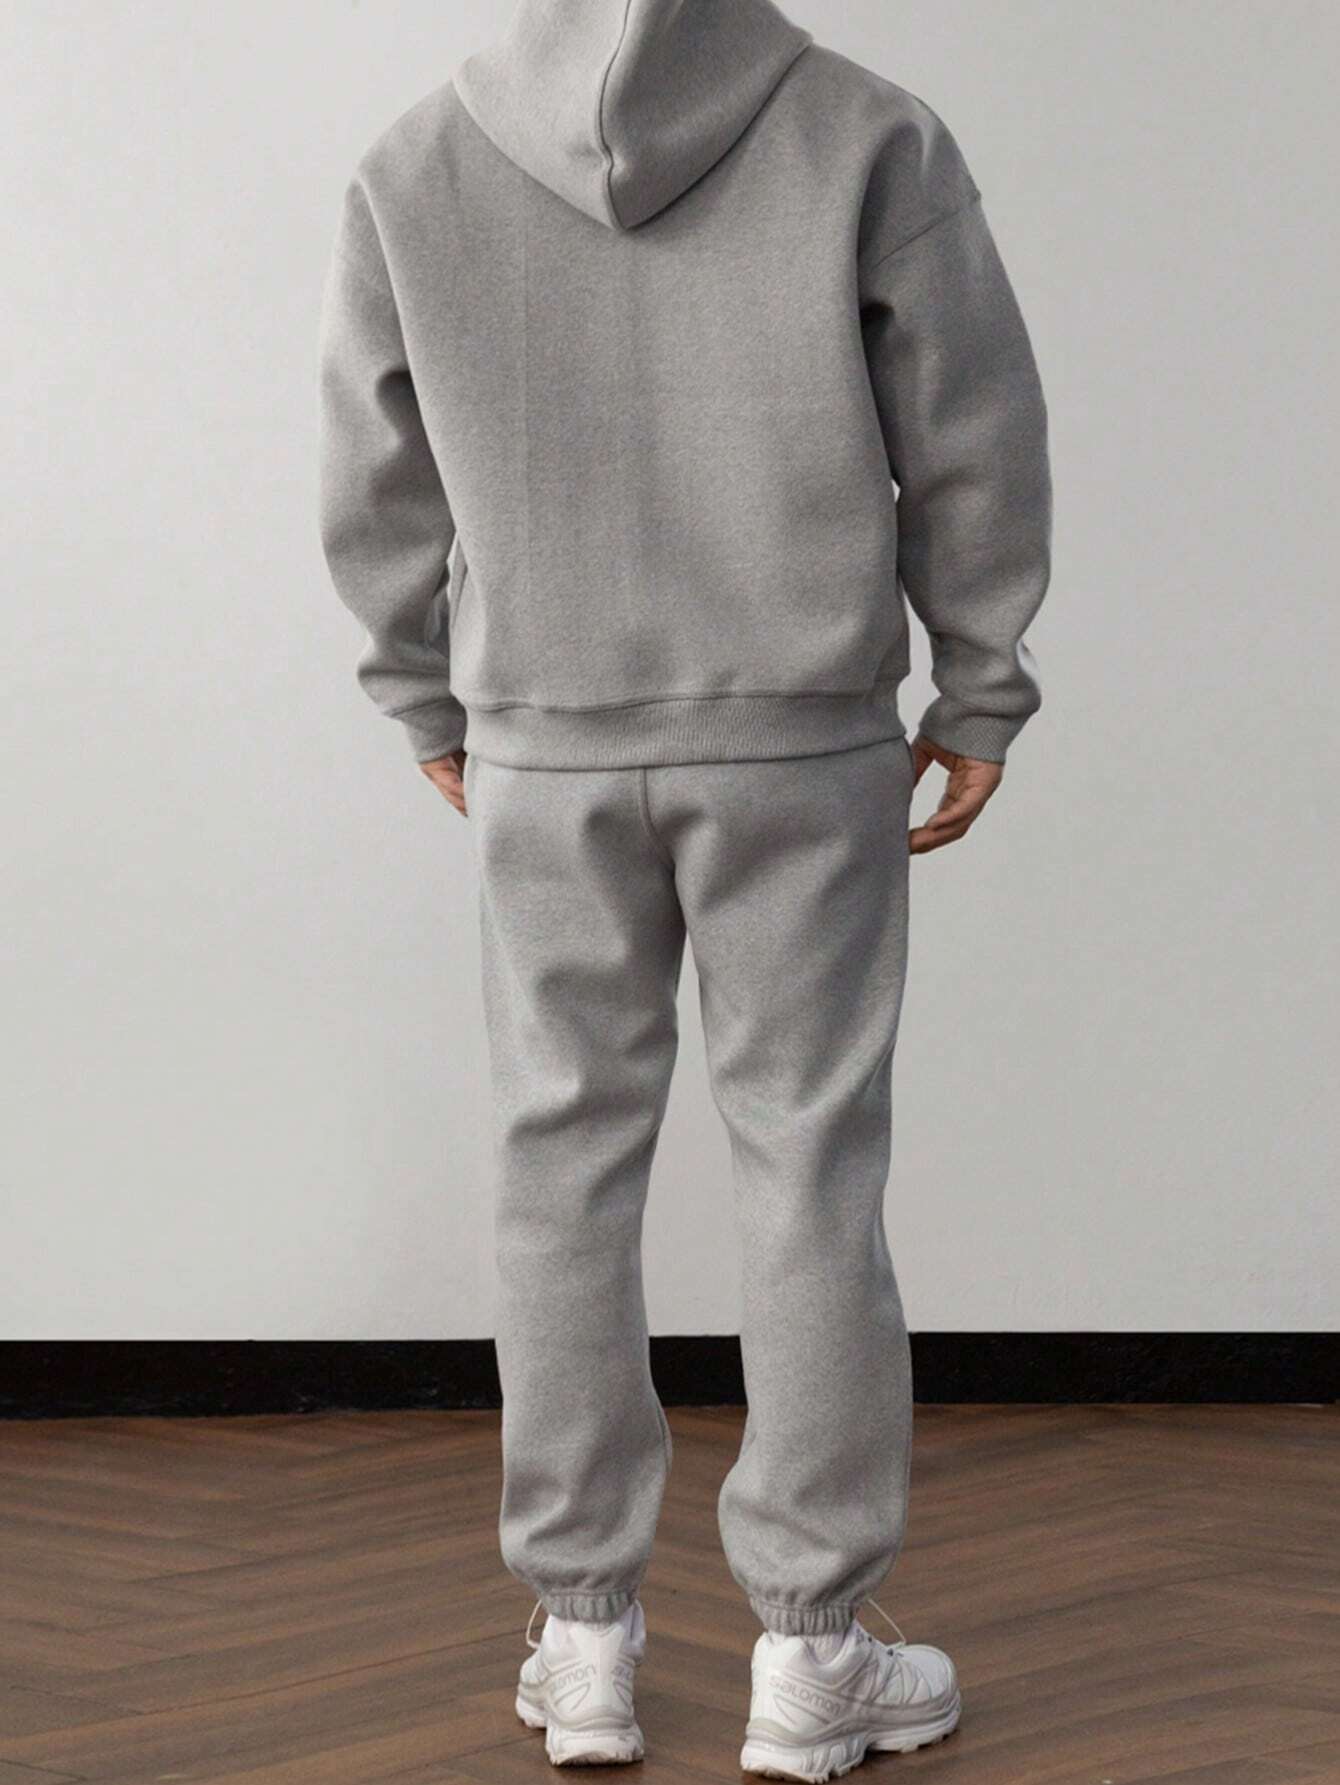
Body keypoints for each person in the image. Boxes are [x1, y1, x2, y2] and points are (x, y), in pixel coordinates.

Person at [318, 0, 1050, 1774]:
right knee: (810, 1159)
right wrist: (977, 683)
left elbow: (371, 468)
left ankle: (584, 1639)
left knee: (558, 1159)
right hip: (797, 741)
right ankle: (814, 1656)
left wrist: (423, 690)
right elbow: (971, 426)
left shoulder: (418, 162)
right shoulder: (868, 132)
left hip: (546, 748)